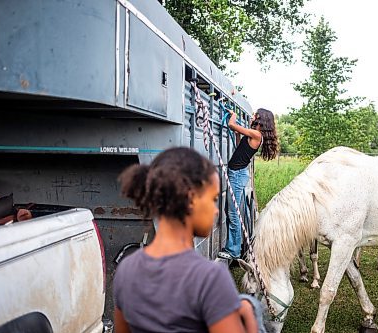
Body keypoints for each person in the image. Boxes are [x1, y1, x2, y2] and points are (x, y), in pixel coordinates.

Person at [113, 147, 260, 333]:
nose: (216, 210)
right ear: (191, 198)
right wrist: (249, 316)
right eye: (213, 199)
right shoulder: (210, 278)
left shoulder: (126, 270)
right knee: (250, 306)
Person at [217, 108, 278, 260]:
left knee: (233, 212)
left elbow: (231, 125)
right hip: (237, 173)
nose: (252, 116)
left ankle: (233, 250)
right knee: (230, 209)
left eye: (254, 114)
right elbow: (240, 146)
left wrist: (234, 116)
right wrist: (239, 133)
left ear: (260, 118)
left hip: (237, 175)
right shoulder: (253, 134)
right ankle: (233, 246)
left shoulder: (257, 134)